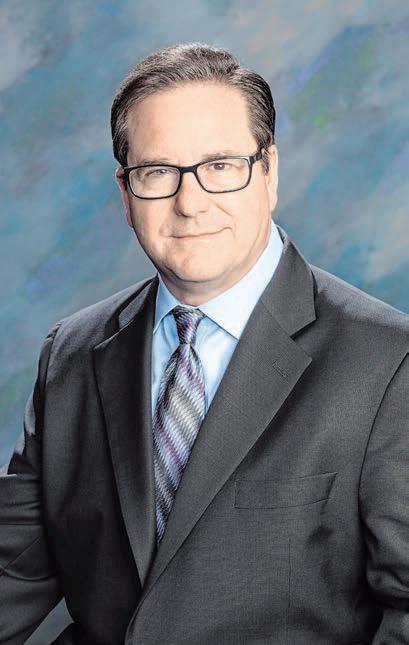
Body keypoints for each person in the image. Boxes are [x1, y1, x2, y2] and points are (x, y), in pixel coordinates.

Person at [1, 41, 408, 645]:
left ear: (269, 172)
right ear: (125, 193)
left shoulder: (387, 362)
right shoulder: (71, 355)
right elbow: (11, 570)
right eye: (158, 172)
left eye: (220, 166)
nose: (189, 204)